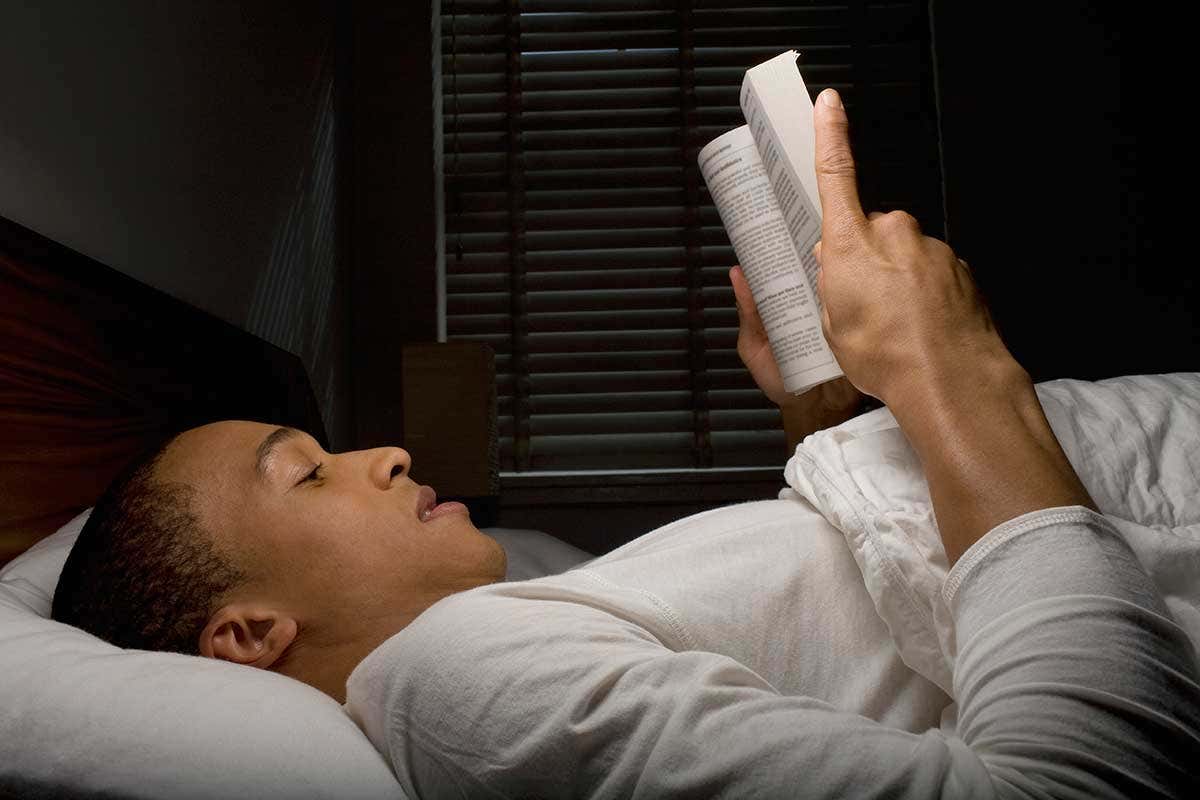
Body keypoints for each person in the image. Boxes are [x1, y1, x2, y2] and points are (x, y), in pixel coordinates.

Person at [52, 89, 1199, 798]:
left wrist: (821, 408)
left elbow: (851, 646)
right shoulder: (459, 690)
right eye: (308, 472)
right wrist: (959, 370)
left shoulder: (494, 636)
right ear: (249, 633)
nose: (385, 455)